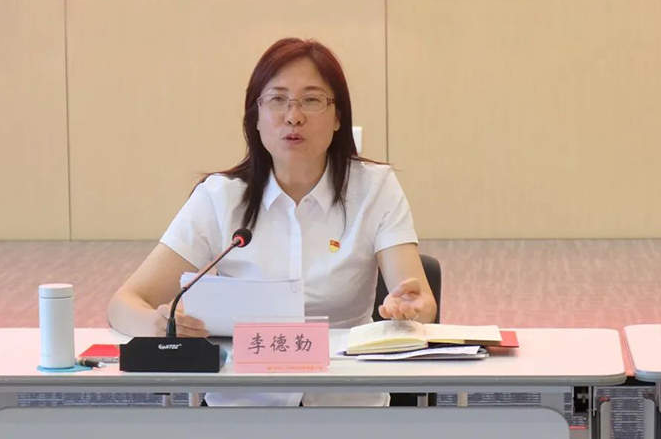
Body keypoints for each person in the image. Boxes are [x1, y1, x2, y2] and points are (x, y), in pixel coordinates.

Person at [107, 37, 437, 406]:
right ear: (256, 117)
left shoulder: (375, 189)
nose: (293, 116)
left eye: (311, 100)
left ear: (338, 117)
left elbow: (418, 299)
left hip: (346, 409)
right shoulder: (220, 197)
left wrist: (411, 309)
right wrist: (155, 325)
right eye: (277, 100)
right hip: (243, 410)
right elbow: (124, 303)